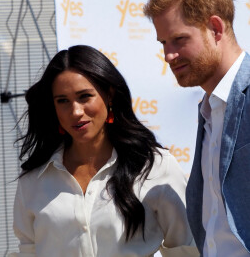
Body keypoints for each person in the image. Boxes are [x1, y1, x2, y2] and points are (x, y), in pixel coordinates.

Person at [10, 45, 198, 257]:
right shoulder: (33, 180)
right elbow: (28, 250)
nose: (76, 111)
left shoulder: (153, 166)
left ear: (109, 96)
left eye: (84, 96)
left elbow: (186, 248)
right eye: (62, 101)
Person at [143, 0, 250, 256]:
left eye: (179, 39)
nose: (168, 55)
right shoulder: (208, 109)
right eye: (163, 42)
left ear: (215, 28)